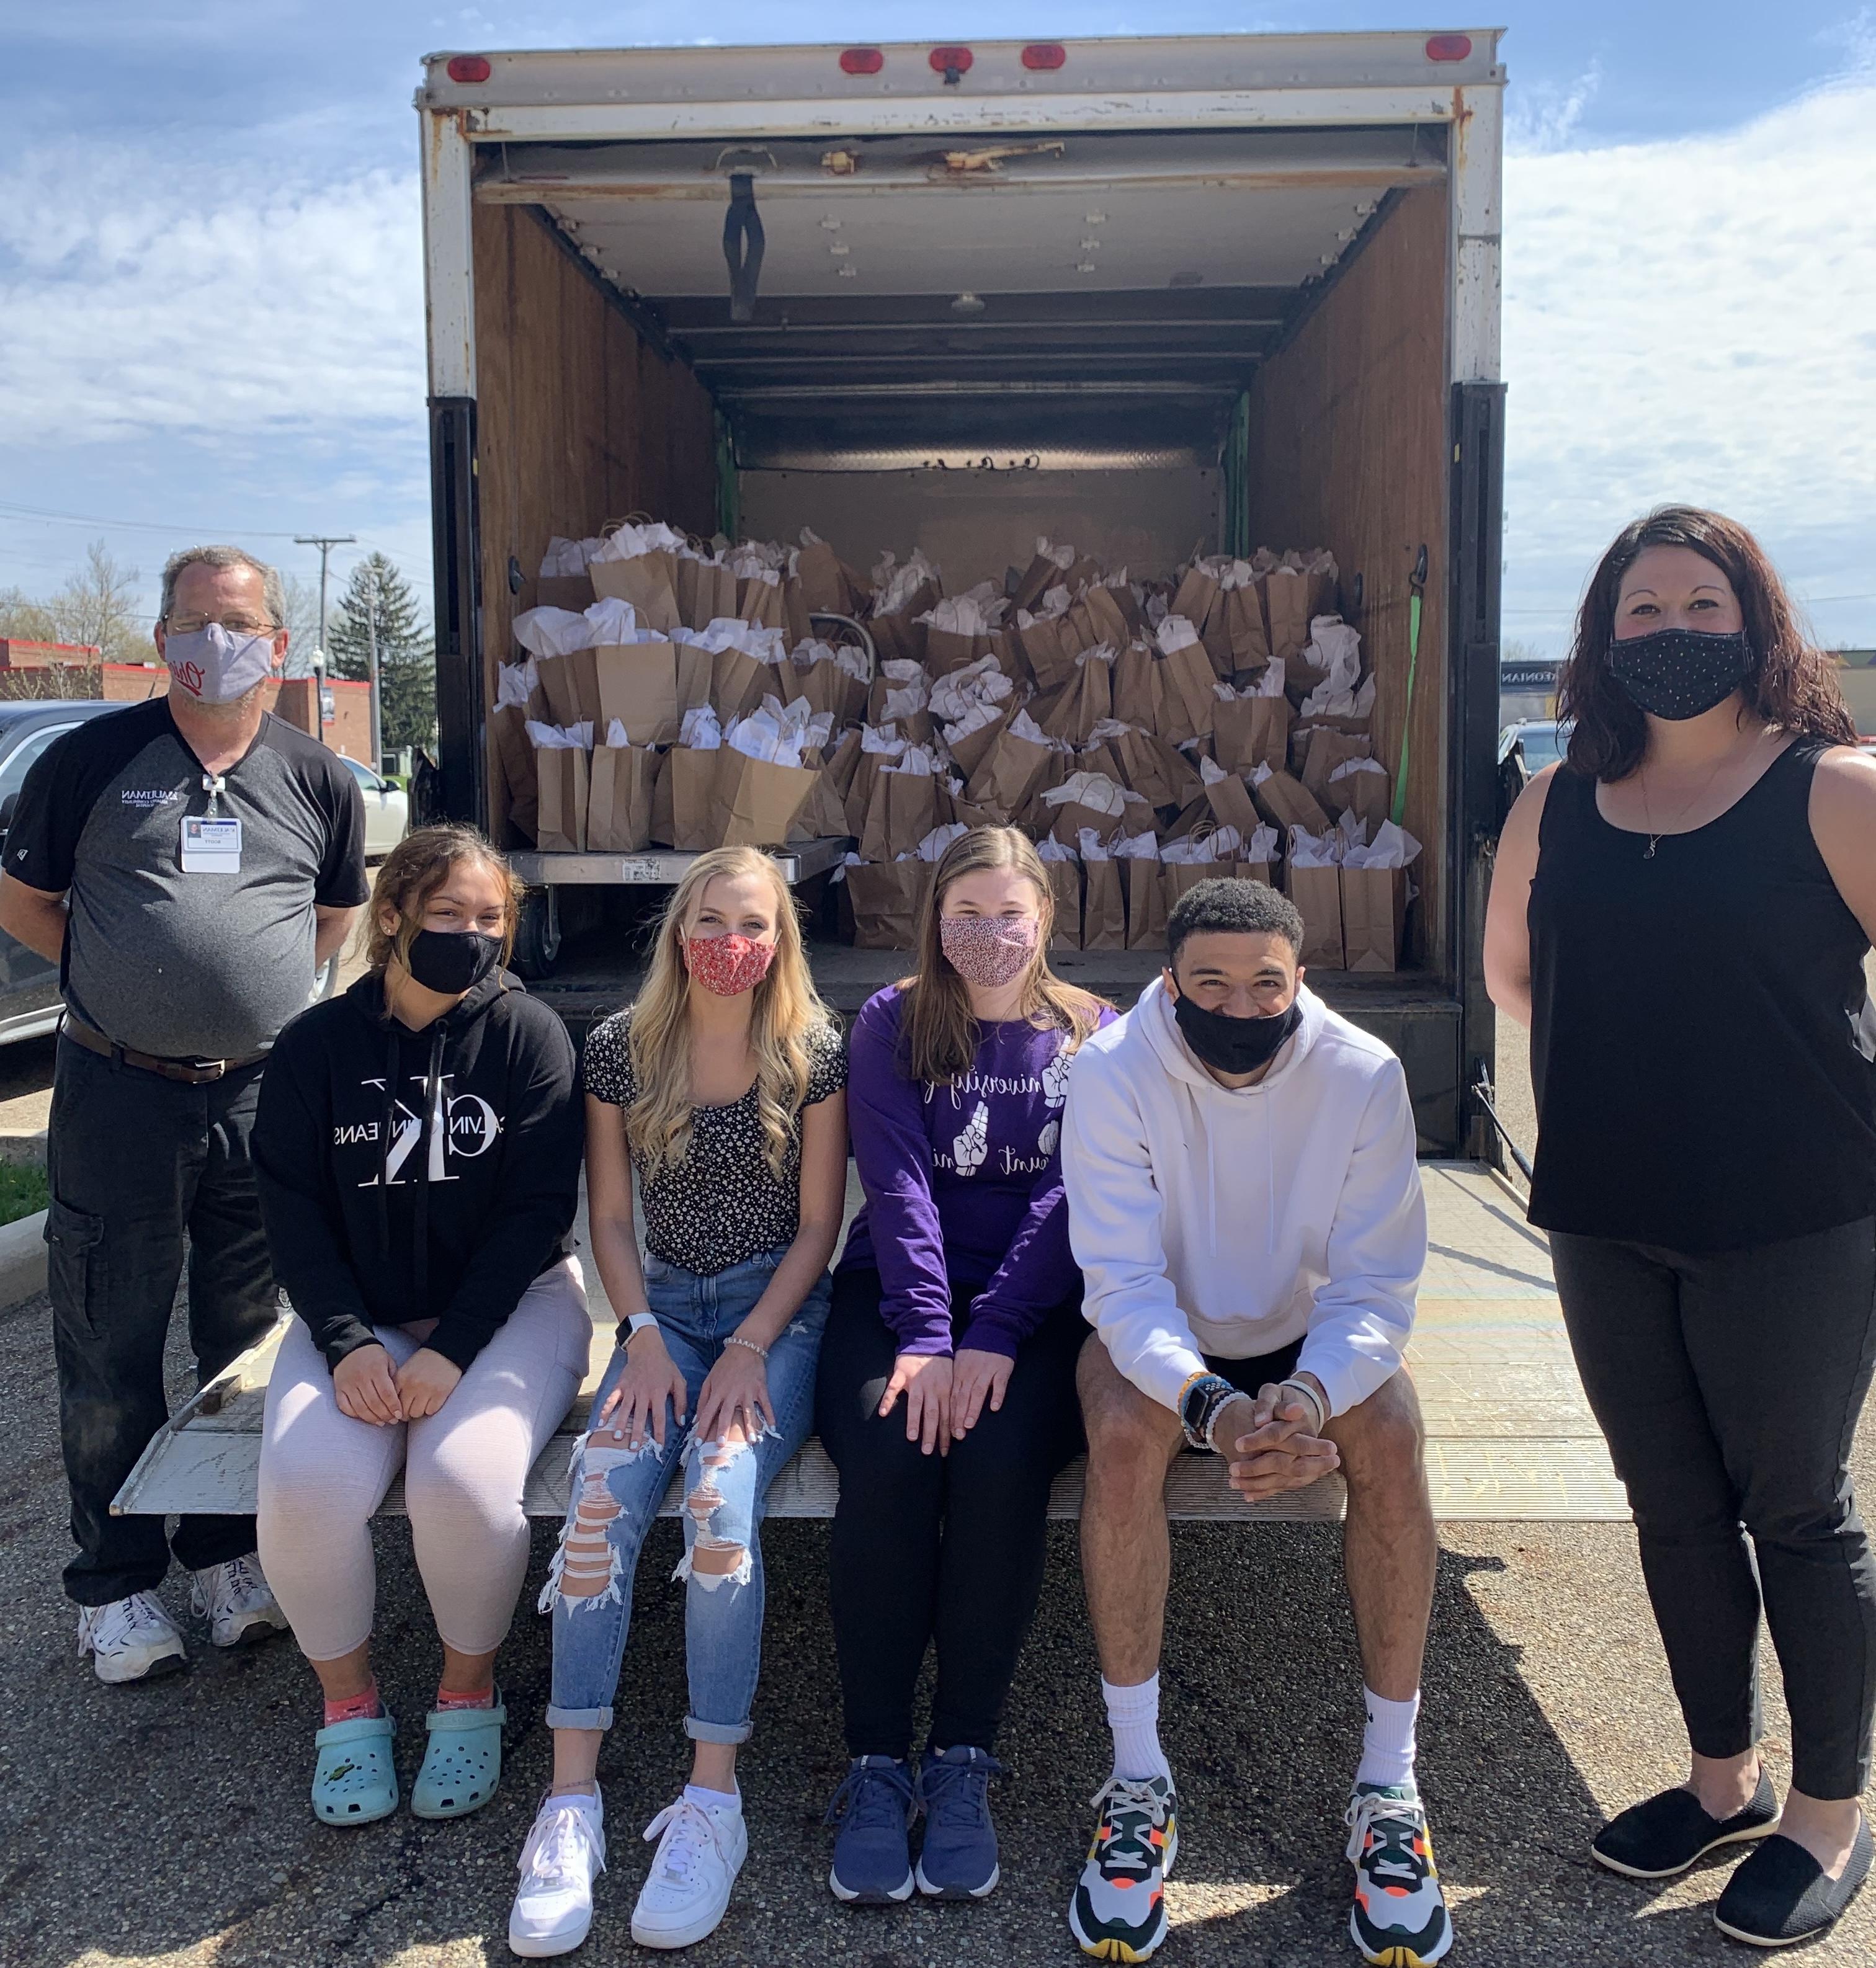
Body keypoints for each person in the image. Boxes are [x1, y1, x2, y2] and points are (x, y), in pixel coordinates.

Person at [1485, 505, 1876, 1949]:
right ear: (1600, 641)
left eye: (1700, 604)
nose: (1669, 632)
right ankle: (1724, 1782)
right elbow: (1519, 983)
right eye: (1639, 611)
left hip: (1796, 1220)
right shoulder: (1553, 803)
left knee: (1800, 1511)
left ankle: (1828, 1817)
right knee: (1672, 1509)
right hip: (1604, 1215)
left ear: (1759, 624)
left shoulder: (1834, 792)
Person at [1061, 878, 1447, 1967]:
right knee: (1126, 1440)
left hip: (1308, 1334)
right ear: (1170, 983)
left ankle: (1389, 1784)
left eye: (1266, 983)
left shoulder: (1364, 1073)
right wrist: (1214, 1407)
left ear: (1301, 980)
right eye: (1211, 984)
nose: (1240, 1007)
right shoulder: (1110, 1067)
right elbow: (1122, 1283)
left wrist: (1310, 1396)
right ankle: (1137, 1777)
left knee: (1395, 1439)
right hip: (1163, 1334)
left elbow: (1376, 1288)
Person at [0, 544, 366, 1683]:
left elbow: (332, 919)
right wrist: (122, 979)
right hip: (118, 1093)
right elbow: (24, 898)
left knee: (243, 1341)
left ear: (279, 644)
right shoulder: (91, 760)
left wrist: (238, 998)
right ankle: (113, 1584)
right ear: (160, 641)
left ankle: (223, 1557)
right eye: (197, 623)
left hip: (256, 1097)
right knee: (107, 1341)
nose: (220, 642)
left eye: (241, 623)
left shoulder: (317, 777)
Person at [507, 846, 847, 1959]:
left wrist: (751, 1345)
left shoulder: (812, 1054)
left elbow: (815, 1230)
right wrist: (642, 1332)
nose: (728, 940)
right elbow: (608, 1219)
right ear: (676, 930)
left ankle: (712, 1798)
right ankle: (572, 1800)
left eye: (751, 921)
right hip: (664, 1317)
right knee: (599, 1503)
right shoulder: (621, 1048)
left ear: (780, 939)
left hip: (778, 1318)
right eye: (709, 917)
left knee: (719, 1507)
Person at [252, 827, 587, 1825]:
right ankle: (349, 1706)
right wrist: (350, 1341)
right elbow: (293, 1209)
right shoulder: (317, 1046)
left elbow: (535, 1212)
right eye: (448, 916)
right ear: (390, 915)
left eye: (491, 919)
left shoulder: (530, 1035)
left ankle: (466, 1691)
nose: (473, 936)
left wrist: (452, 1350)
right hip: (363, 1312)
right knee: (306, 1482)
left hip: (513, 1305)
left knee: (460, 1478)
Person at [816, 826, 1111, 1908]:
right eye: (966, 913)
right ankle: (878, 1762)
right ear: (935, 914)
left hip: (1033, 1314)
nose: (988, 935)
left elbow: (1072, 1198)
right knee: (892, 1463)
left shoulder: (1094, 1034)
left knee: (997, 1472)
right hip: (895, 1299)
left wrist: (993, 1332)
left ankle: (965, 1753)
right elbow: (894, 1187)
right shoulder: (894, 1020)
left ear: (1045, 918)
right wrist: (930, 1334)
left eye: (1009, 914)